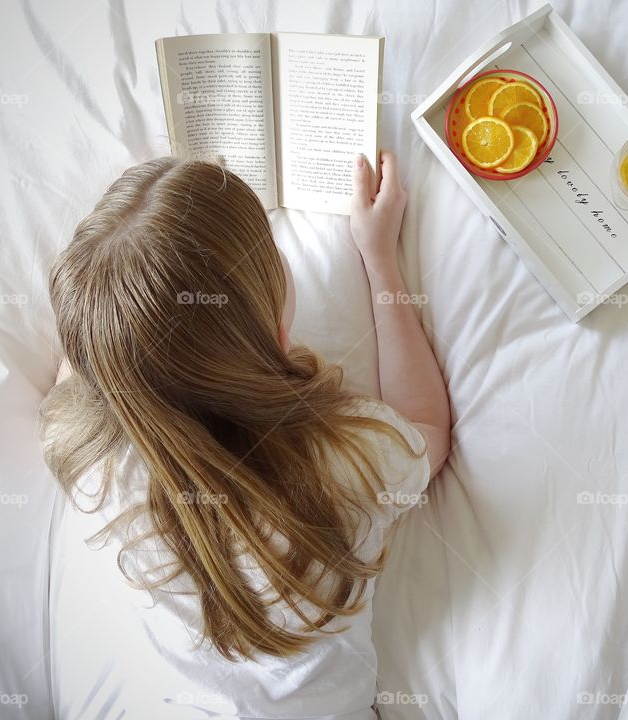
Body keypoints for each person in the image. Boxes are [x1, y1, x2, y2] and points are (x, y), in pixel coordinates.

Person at [40, 151, 451, 718]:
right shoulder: (349, 459)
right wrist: (381, 259)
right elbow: (427, 426)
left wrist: (120, 309)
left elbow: (78, 369)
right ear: (281, 333)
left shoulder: (87, 458)